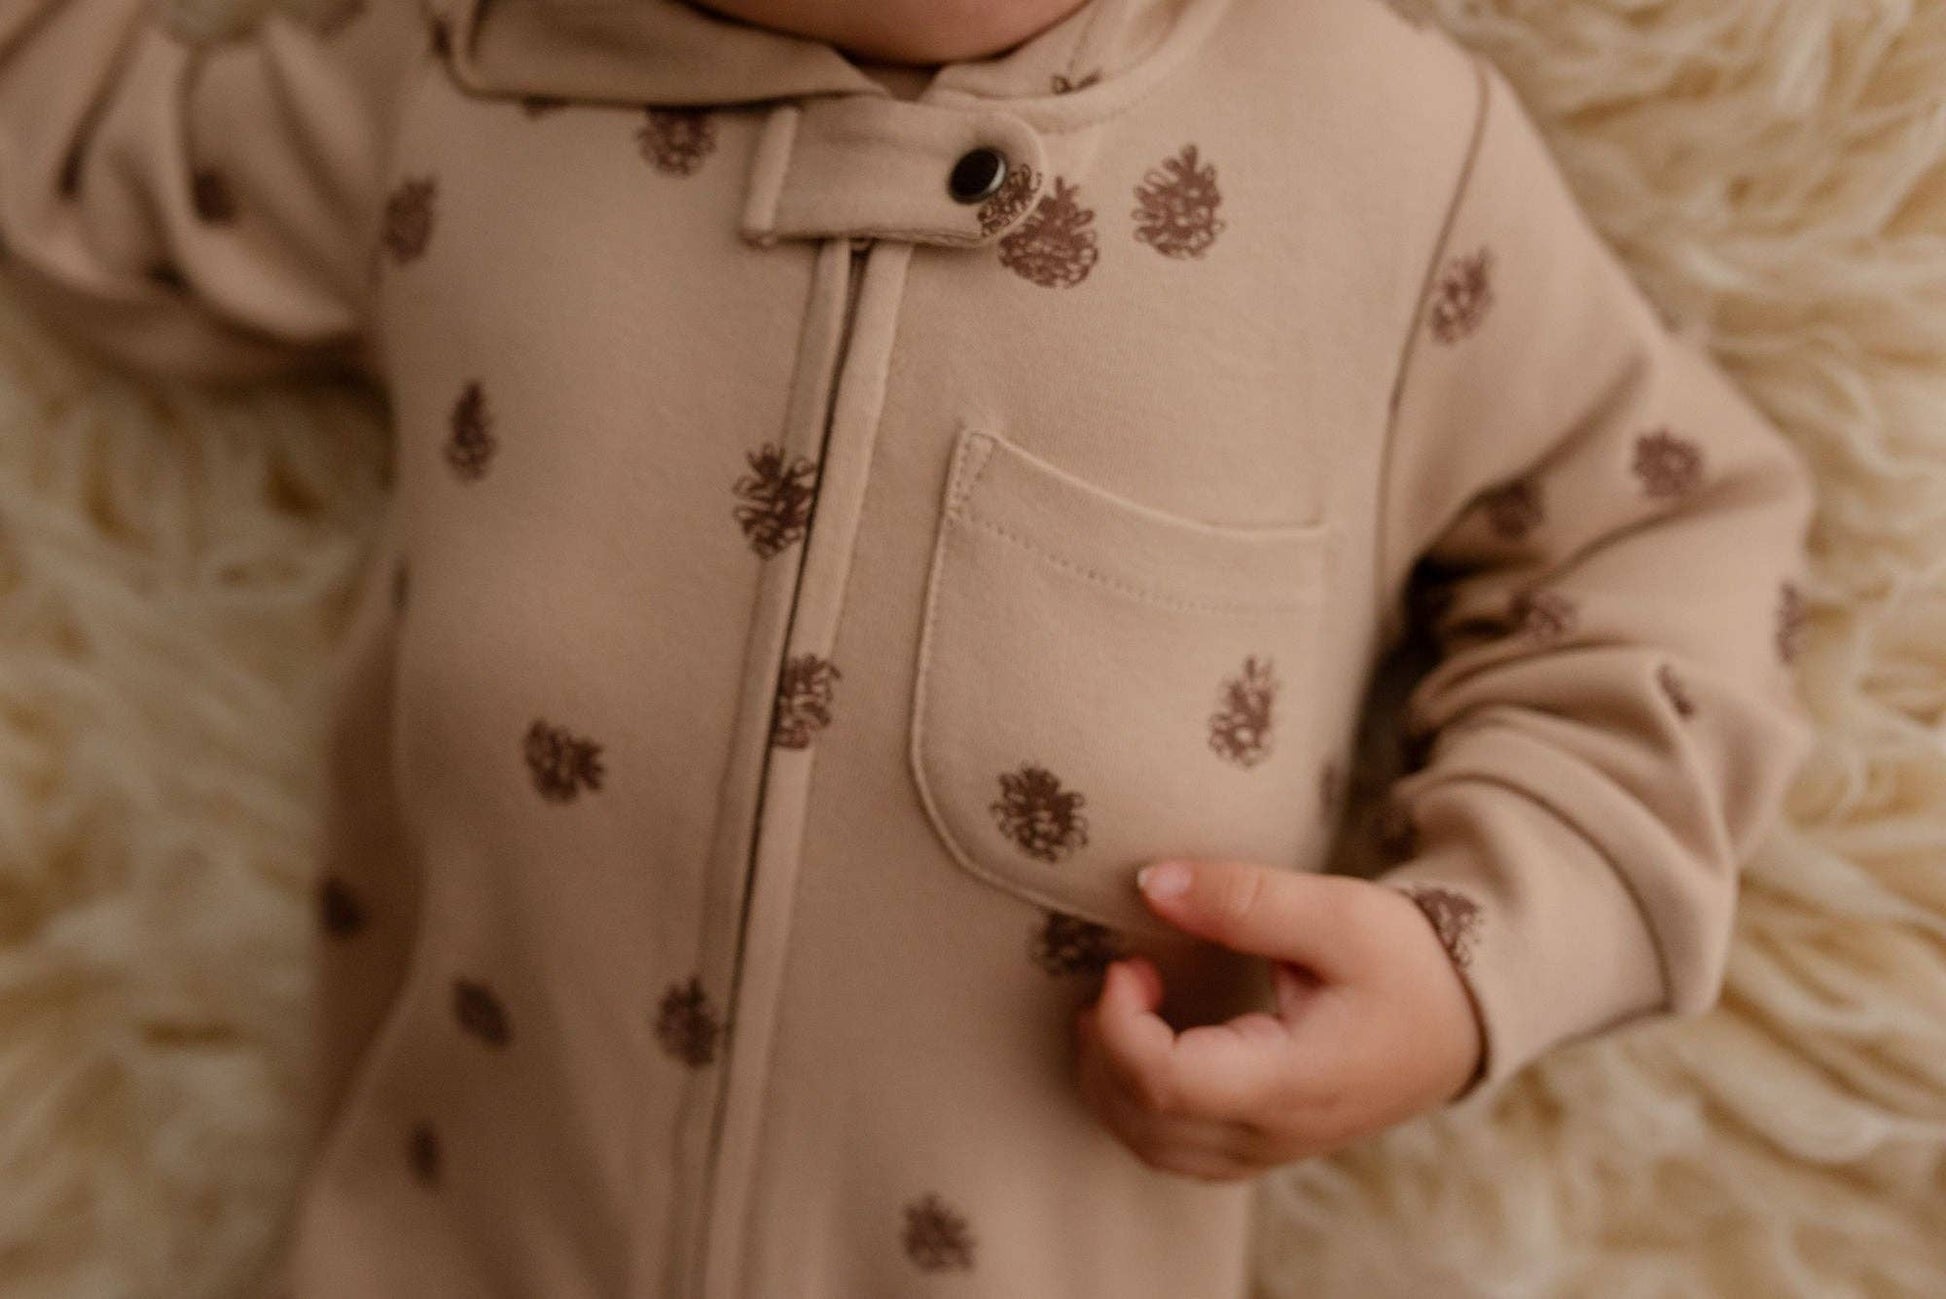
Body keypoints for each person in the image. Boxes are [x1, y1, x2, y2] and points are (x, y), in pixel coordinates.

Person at [0, 0, 1820, 1294]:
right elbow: (79, 148)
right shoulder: (472, 77)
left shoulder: (1373, 152)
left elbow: (1669, 531)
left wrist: (1470, 955)